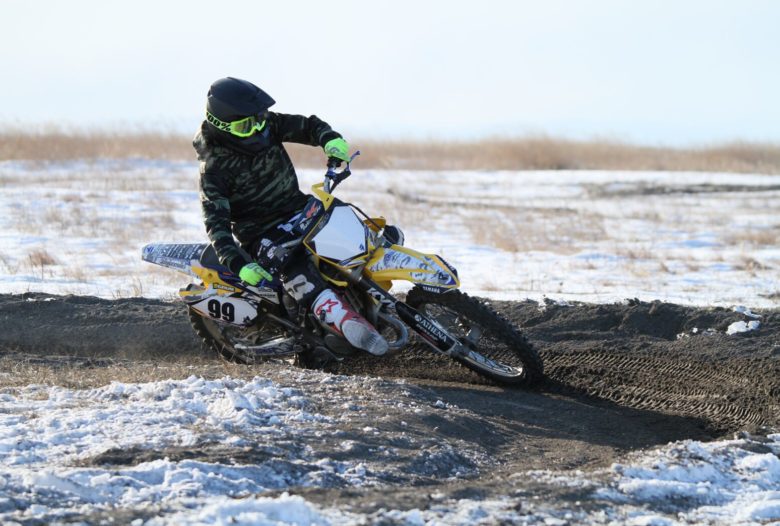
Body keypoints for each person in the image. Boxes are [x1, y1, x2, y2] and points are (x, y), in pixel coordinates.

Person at [193, 77, 389, 356]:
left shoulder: (266, 124)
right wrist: (238, 264)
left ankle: (371, 292)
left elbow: (308, 126)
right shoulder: (213, 168)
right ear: (222, 126)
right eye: (247, 125)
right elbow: (216, 225)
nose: (258, 128)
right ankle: (345, 325)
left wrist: (329, 139)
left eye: (260, 119)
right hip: (261, 234)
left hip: (298, 207)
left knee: (349, 227)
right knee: (296, 267)